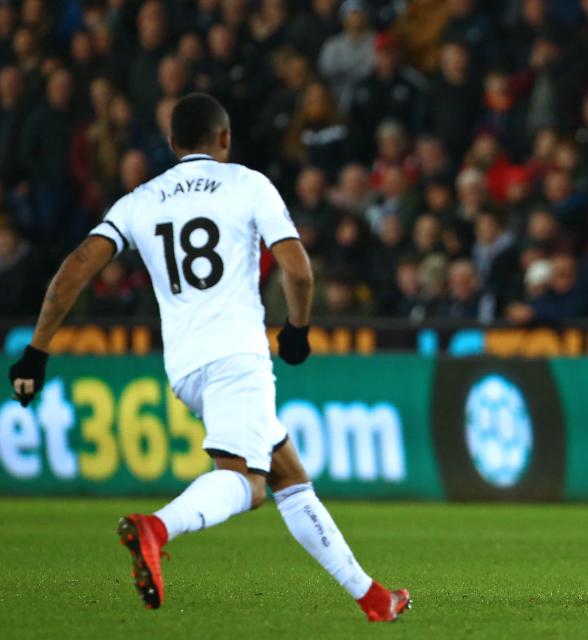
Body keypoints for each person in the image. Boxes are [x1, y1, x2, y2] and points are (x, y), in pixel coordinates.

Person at [6, 93, 411, 622]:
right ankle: (157, 527)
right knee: (248, 482)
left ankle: (373, 598)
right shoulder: (248, 183)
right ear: (225, 138)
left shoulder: (139, 200)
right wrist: (298, 329)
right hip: (237, 355)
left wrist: (35, 352)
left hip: (185, 365)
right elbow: (299, 270)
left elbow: (75, 269)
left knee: (288, 476)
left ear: (172, 144)